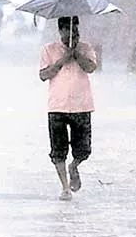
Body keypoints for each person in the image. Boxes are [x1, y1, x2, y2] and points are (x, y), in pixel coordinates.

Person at [39, 16, 97, 201]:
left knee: (84, 149)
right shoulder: (49, 49)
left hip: (82, 105)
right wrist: (62, 60)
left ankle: (74, 166)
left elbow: (90, 68)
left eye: (76, 31)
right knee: (58, 149)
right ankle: (65, 187)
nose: (73, 35)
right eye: (69, 31)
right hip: (57, 105)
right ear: (61, 31)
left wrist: (76, 54)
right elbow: (43, 74)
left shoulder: (86, 48)